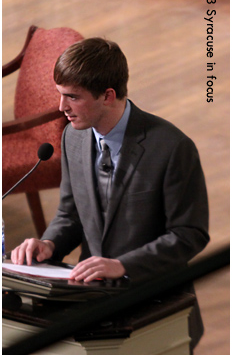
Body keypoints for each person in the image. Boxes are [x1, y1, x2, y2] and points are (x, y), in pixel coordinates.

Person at [11, 37, 209, 349]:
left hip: (156, 306)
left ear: (108, 96)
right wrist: (49, 244)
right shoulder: (72, 139)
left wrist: (124, 265)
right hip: (91, 305)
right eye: (60, 95)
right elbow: (70, 214)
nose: (61, 108)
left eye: (72, 97)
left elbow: (189, 234)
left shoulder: (172, 148)